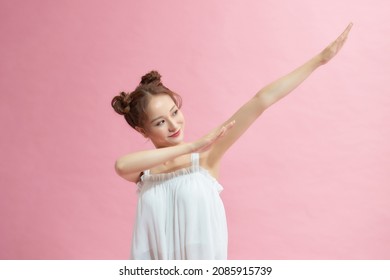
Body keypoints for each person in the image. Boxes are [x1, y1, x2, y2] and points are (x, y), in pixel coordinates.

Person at [111, 23, 353, 260]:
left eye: (175, 112)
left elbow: (261, 100)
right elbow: (121, 166)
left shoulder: (206, 157)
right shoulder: (144, 173)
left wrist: (320, 59)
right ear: (143, 131)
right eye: (160, 122)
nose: (174, 125)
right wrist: (192, 145)